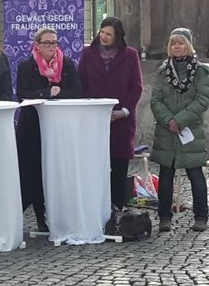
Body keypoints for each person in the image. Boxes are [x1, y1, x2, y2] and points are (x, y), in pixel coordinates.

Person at [16, 28, 81, 232]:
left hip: (58, 129)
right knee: (31, 172)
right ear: (37, 45)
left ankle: (53, 215)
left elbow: (78, 91)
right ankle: (34, 213)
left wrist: (59, 92)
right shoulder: (27, 66)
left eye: (54, 43)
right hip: (31, 128)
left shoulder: (67, 64)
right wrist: (46, 92)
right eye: (46, 43)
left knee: (53, 172)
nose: (51, 47)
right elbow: (22, 94)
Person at [78, 16, 142, 210]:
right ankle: (96, 205)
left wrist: (124, 110)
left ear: (118, 37)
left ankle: (117, 207)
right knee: (95, 164)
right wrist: (92, 107)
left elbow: (136, 87)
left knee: (119, 163)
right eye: (102, 32)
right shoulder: (88, 53)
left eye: (109, 34)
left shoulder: (130, 55)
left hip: (121, 120)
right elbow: (81, 83)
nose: (104, 37)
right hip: (94, 119)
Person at [150, 28, 209, 232]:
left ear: (188, 45)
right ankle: (164, 217)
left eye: (181, 43)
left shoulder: (201, 71)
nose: (177, 46)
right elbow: (155, 100)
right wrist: (169, 120)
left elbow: (203, 99)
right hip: (167, 132)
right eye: (173, 43)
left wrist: (181, 120)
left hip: (190, 131)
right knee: (166, 176)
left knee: (196, 175)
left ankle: (201, 216)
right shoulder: (162, 70)